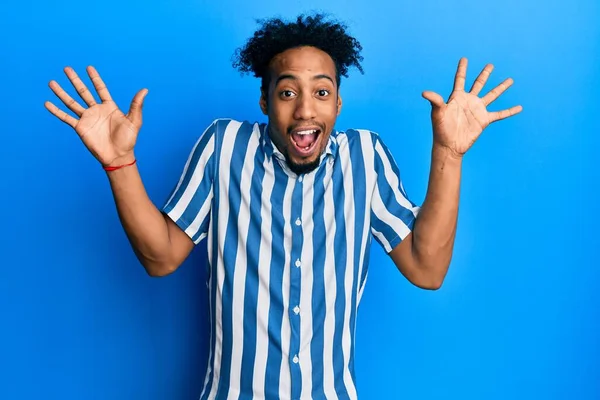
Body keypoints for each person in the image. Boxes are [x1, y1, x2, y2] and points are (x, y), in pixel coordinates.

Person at [44, 13, 522, 400]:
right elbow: (162, 257)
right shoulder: (224, 147)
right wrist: (120, 164)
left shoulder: (366, 159)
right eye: (288, 92)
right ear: (265, 101)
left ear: (337, 104)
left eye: (321, 92)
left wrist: (448, 153)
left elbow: (428, 268)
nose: (305, 109)